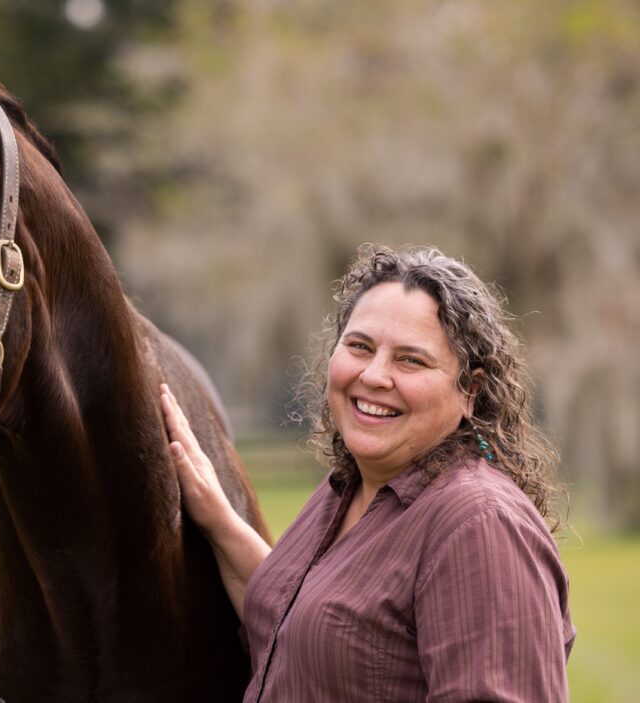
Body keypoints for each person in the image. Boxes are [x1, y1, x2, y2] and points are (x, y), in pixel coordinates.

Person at [161, 244, 574, 702]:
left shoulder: (478, 524)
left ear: (469, 391)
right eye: (360, 347)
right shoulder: (345, 489)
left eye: (410, 360)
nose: (374, 376)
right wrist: (218, 520)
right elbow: (300, 630)